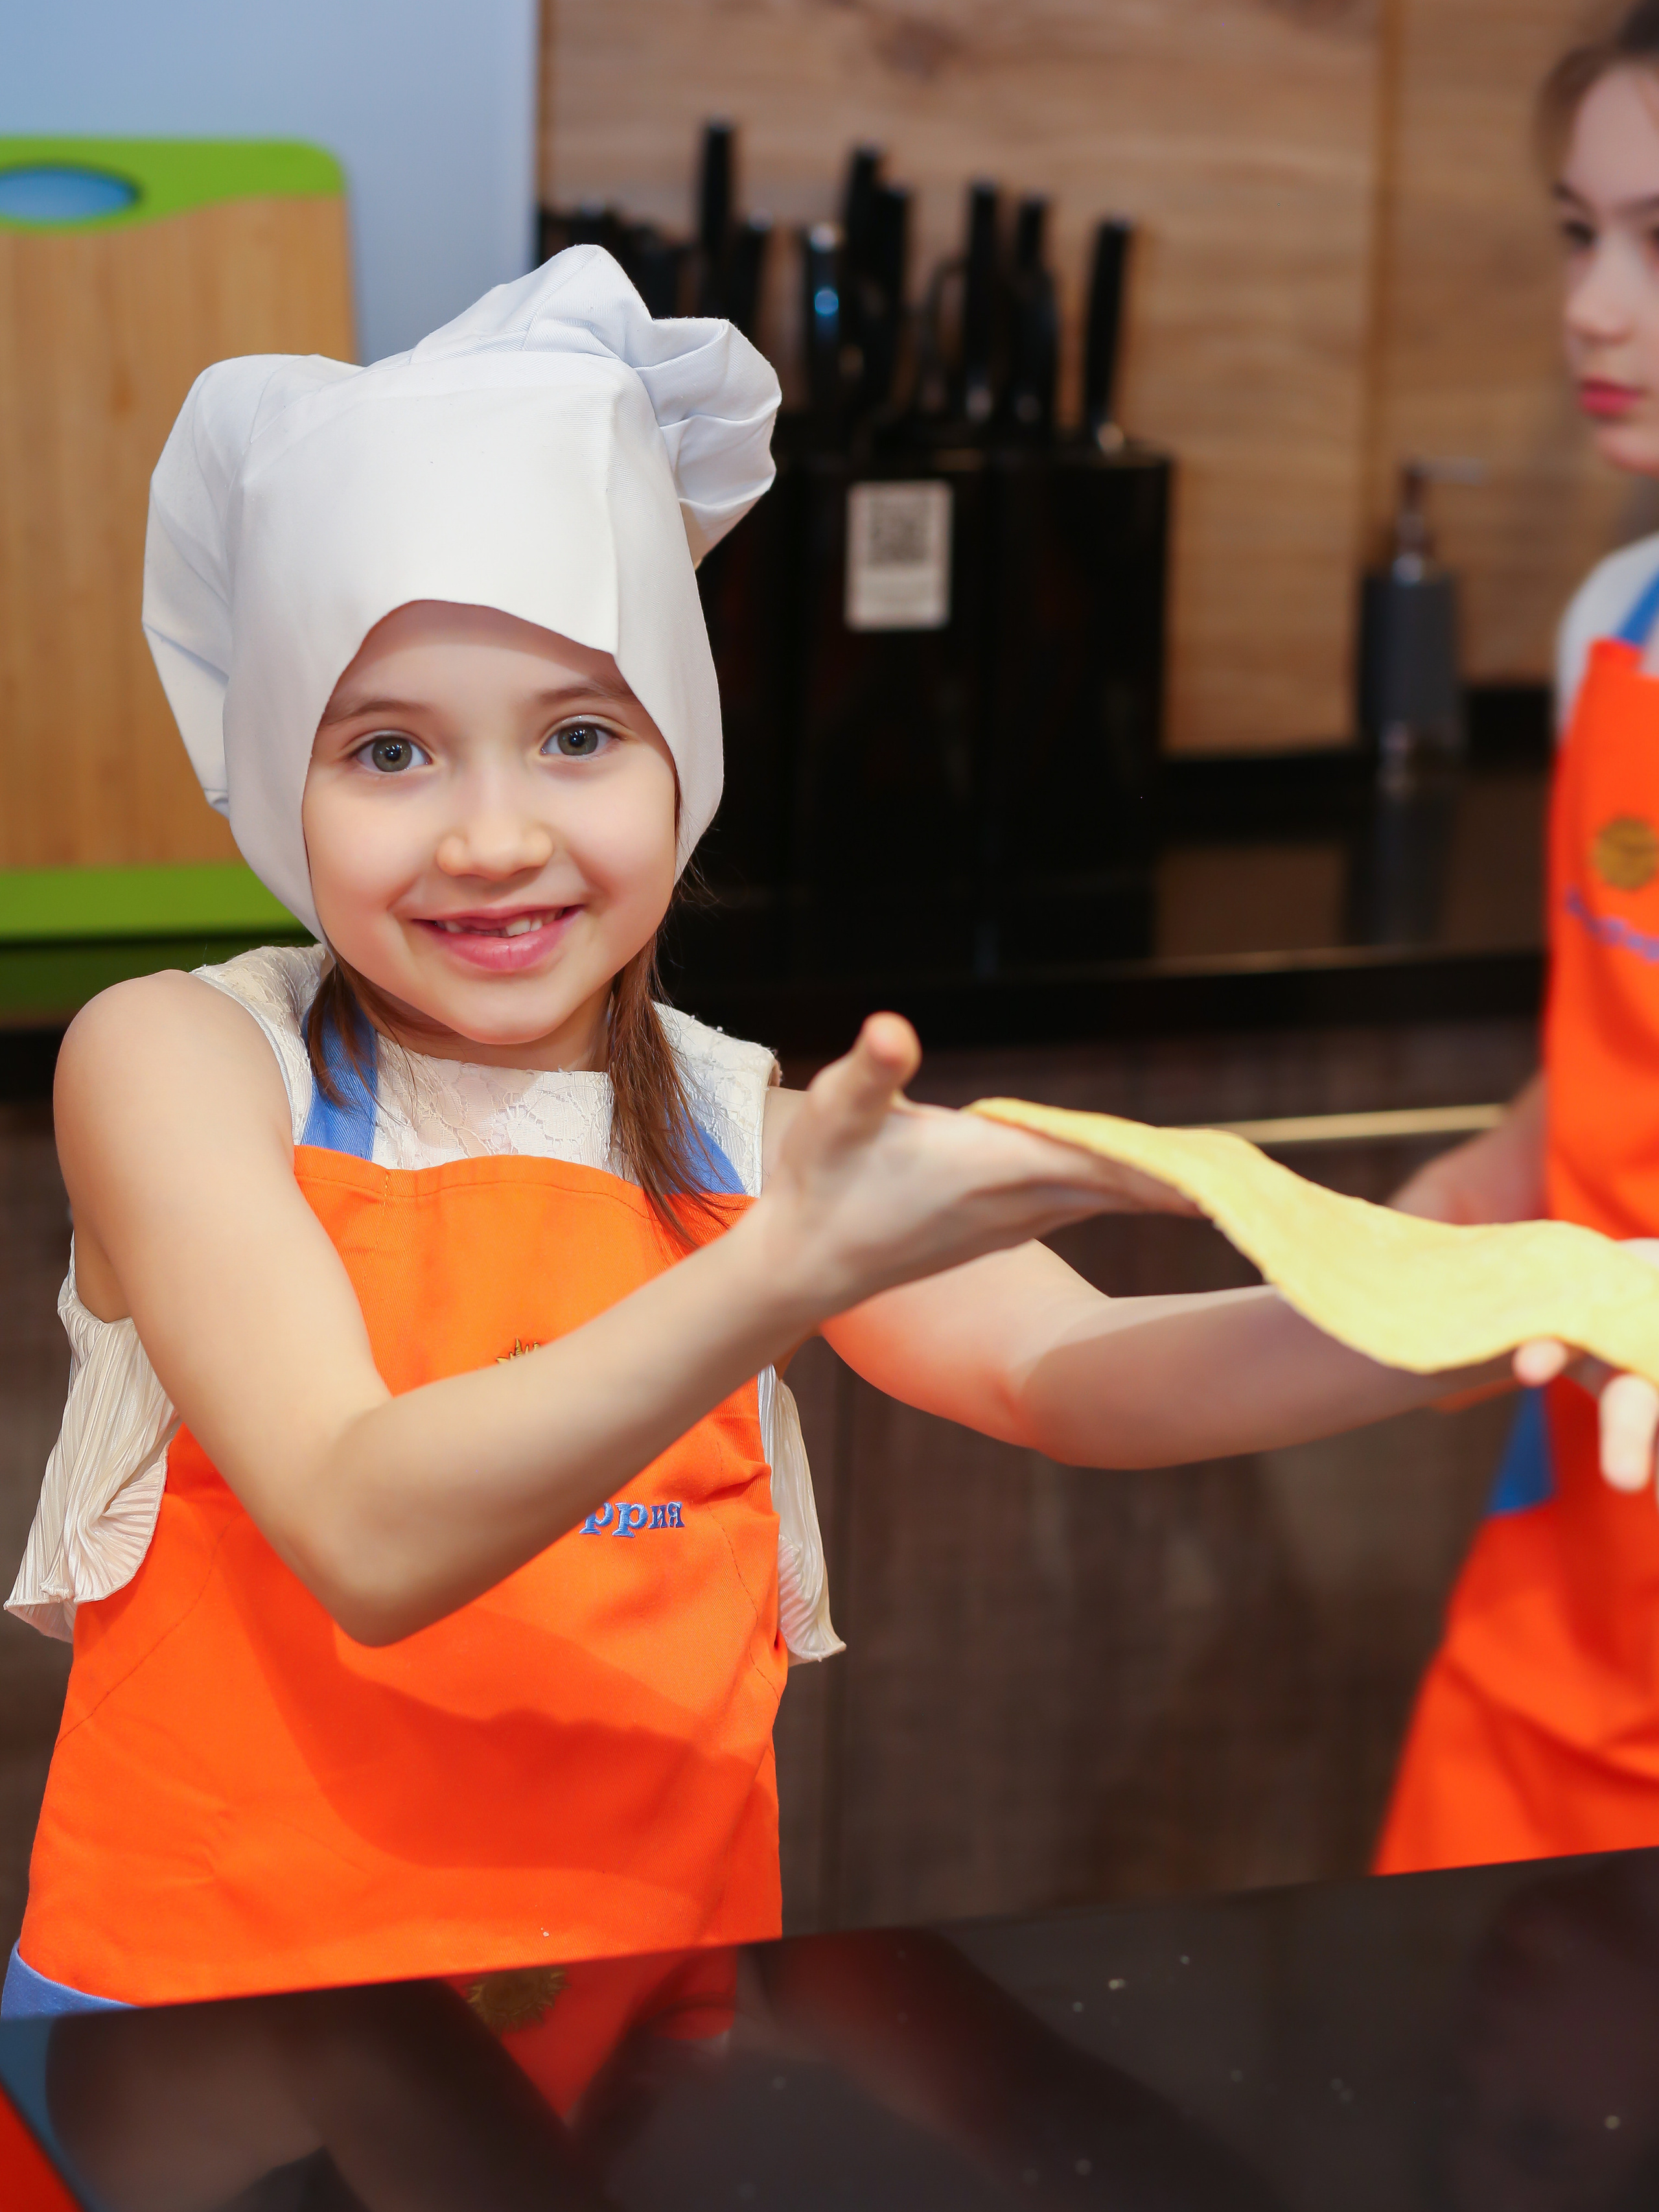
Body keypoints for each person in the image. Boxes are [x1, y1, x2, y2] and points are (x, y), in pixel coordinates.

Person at [0, 248, 1635, 2066]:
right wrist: (784, 1267)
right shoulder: (178, 1062)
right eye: (389, 750)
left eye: (577, 736)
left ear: (679, 761)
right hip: (213, 2060)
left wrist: (1448, 1312)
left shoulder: (746, 1130)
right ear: (275, 789)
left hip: (637, 2052)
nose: (491, 833)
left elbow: (1065, 1367)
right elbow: (367, 1525)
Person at [1378, 3, 1659, 1872]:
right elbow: (1600, 1081)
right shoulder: (1614, 627)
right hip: (1574, 1567)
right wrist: (1459, 1199)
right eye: (1581, 233)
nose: (1594, 305)